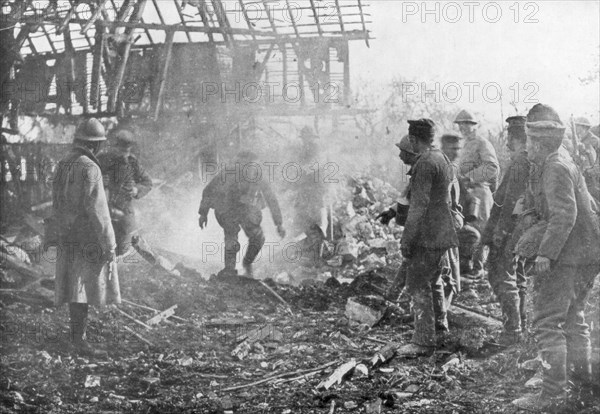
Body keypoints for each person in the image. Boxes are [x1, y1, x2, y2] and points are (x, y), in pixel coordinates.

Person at [512, 104, 600, 410]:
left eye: (528, 142)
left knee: (548, 322)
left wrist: (546, 254)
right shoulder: (560, 162)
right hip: (585, 255)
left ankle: (553, 397)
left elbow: (565, 215)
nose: (525, 147)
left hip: (568, 257)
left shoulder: (555, 167)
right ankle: (585, 388)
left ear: (538, 143)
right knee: (574, 320)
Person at [52, 118, 119, 357]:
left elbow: (57, 202)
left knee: (73, 286)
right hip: (85, 236)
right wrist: (110, 244)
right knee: (80, 288)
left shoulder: (63, 163)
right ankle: (79, 341)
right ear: (96, 145)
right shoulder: (90, 168)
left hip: (66, 234)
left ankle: (76, 337)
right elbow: (99, 212)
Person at [396, 119, 458, 356]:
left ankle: (423, 341)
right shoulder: (440, 157)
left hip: (428, 235)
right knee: (434, 282)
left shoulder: (424, 163)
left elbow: (418, 207)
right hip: (441, 232)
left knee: (417, 284)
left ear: (413, 139)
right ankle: (440, 331)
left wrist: (407, 239)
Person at [481, 116, 530, 345]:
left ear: (516, 137)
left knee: (501, 273)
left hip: (511, 228)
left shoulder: (520, 162)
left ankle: (512, 330)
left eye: (510, 137)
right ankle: (519, 325)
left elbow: (509, 202)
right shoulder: (526, 160)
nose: (507, 142)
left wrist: (499, 232)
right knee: (515, 275)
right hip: (520, 228)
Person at [198, 150, 286, 277]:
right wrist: (203, 213)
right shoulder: (228, 173)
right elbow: (208, 191)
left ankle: (247, 263)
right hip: (226, 208)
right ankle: (229, 269)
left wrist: (279, 223)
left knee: (258, 237)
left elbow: (270, 198)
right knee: (231, 238)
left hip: (247, 210)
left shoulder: (258, 176)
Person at [454, 109, 500, 277]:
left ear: (474, 125)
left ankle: (478, 268)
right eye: (460, 124)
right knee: (466, 230)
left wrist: (470, 178)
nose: (463, 128)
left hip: (479, 192)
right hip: (465, 193)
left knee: (480, 229)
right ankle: (466, 267)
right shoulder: (462, 144)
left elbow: (492, 168)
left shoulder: (482, 143)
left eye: (467, 124)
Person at [98, 129, 153, 256]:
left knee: (124, 249)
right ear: (114, 145)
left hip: (124, 213)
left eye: (127, 151)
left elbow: (147, 182)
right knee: (103, 249)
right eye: (121, 151)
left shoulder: (132, 162)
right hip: (103, 211)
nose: (124, 155)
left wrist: (136, 189)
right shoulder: (101, 160)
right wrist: (100, 181)